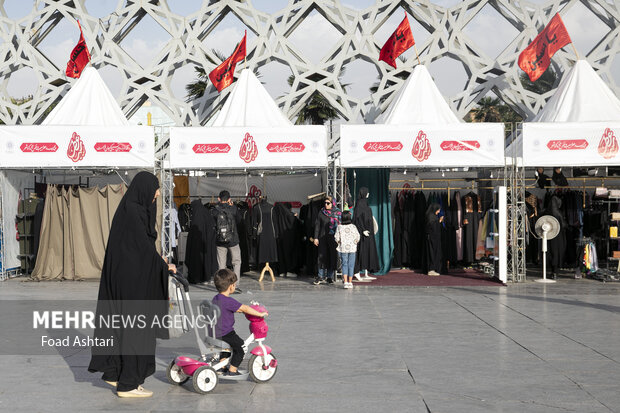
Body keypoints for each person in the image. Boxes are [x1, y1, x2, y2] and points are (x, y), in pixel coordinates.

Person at [88, 171, 177, 398]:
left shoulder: (128, 209)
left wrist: (158, 262)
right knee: (136, 330)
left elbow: (138, 249)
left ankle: (114, 371)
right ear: (145, 188)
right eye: (156, 188)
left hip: (123, 280)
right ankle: (128, 384)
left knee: (120, 327)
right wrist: (163, 266)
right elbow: (143, 250)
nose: (157, 193)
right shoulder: (134, 212)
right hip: (133, 284)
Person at [212, 268, 268, 375]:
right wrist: (260, 314)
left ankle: (221, 366)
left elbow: (227, 309)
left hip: (215, 332)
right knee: (241, 347)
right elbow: (245, 308)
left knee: (226, 348)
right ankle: (232, 370)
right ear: (231, 286)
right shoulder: (229, 301)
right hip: (226, 332)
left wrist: (238, 310)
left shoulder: (216, 298)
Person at [213, 190, 243, 292]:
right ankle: (235, 285)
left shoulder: (215, 210)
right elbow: (239, 220)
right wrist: (232, 206)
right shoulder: (233, 209)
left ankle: (222, 286)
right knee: (236, 262)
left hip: (220, 241)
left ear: (218, 199)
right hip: (233, 240)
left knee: (221, 264)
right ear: (229, 199)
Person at [313, 196, 341, 285]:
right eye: (325, 203)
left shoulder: (338, 213)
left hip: (333, 238)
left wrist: (340, 239)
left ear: (332, 203)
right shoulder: (321, 212)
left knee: (332, 256)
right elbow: (317, 225)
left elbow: (341, 227)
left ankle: (329, 276)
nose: (326, 205)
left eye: (328, 203)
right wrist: (316, 237)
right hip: (323, 237)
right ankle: (320, 276)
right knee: (321, 256)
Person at [352, 187, 379, 281]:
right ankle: (357, 272)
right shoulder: (359, 204)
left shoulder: (365, 203)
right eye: (367, 192)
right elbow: (357, 219)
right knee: (361, 252)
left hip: (369, 232)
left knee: (368, 252)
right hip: (362, 233)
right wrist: (362, 230)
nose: (368, 194)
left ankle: (366, 273)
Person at [334, 210, 360, 289]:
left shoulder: (339, 227)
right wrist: (355, 242)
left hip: (343, 248)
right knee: (351, 265)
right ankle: (350, 282)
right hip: (352, 248)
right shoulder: (353, 226)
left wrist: (339, 241)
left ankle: (345, 282)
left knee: (344, 265)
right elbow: (357, 236)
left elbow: (336, 237)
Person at [425, 203, 442, 276]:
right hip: (432, 238)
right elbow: (432, 227)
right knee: (432, 253)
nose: (439, 211)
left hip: (434, 238)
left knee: (434, 252)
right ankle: (431, 269)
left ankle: (434, 268)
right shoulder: (431, 217)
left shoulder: (432, 216)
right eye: (438, 209)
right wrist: (439, 221)